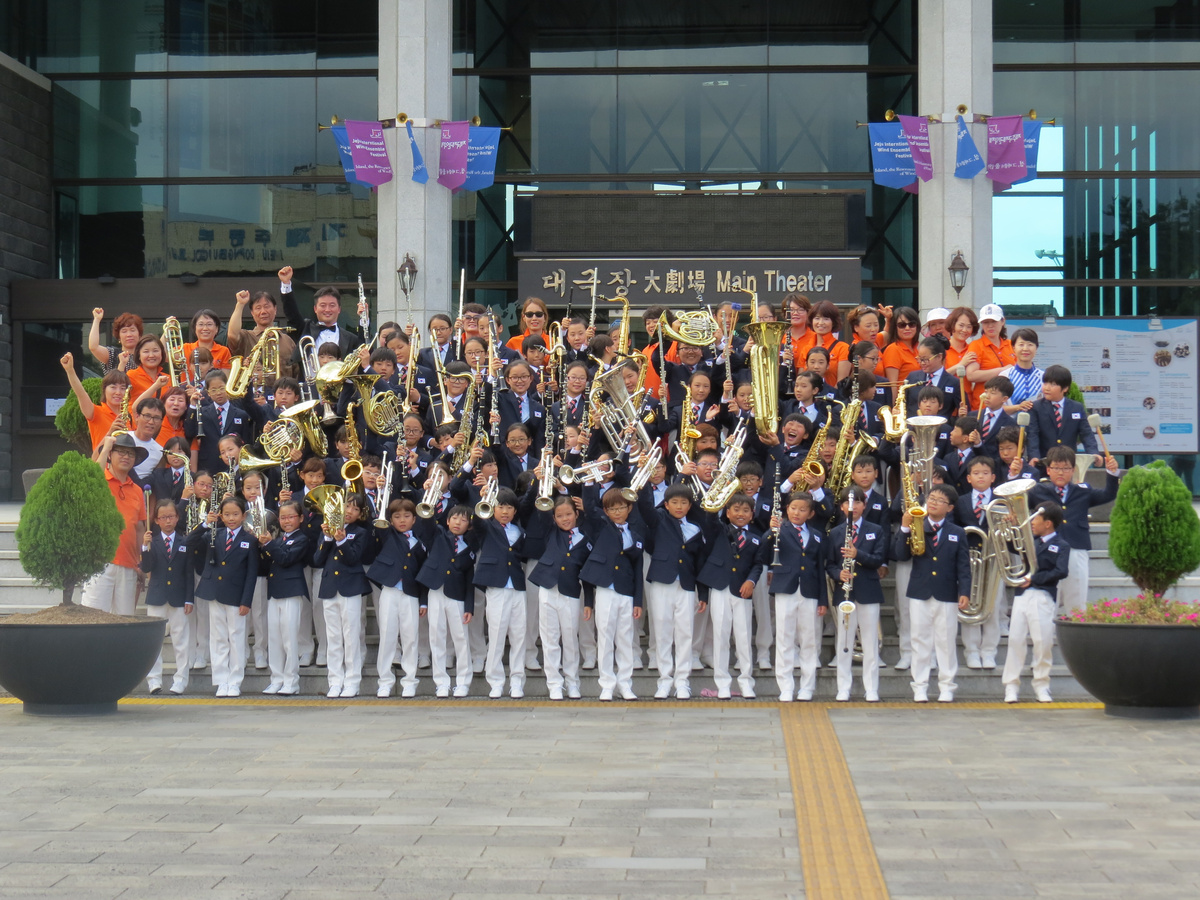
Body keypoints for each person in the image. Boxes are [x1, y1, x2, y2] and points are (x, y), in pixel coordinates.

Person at [893, 484, 971, 703]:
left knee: (946, 641)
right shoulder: (917, 525)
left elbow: (963, 566)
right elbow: (900, 555)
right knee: (919, 640)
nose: (934, 503)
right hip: (920, 591)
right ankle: (920, 686)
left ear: (950, 507)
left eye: (940, 501)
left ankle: (947, 686)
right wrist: (905, 528)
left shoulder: (957, 532)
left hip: (947, 592)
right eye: (932, 498)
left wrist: (965, 591)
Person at [1029, 446, 1120, 616]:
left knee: (1076, 598)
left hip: (1075, 548)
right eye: (1056, 468)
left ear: (1073, 470)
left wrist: (1112, 473)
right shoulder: (1038, 491)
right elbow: (1019, 503)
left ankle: (1076, 627)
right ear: (1048, 470)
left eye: (1066, 468)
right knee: (1046, 601)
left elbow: (1108, 494)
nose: (1060, 472)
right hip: (1046, 552)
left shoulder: (1083, 491)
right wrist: (1015, 475)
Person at [638, 482, 707, 700]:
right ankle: (664, 680)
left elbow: (699, 563)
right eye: (674, 502)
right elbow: (645, 506)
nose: (679, 506)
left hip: (686, 585)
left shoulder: (695, 528)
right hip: (661, 582)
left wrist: (703, 593)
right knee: (662, 631)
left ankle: (682, 681)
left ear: (690, 505)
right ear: (666, 505)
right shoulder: (659, 519)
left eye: (683, 503)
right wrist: (644, 478)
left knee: (685, 632)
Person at [579, 484, 646, 702]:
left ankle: (625, 684)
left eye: (621, 507)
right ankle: (606, 684)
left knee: (625, 639)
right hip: (605, 589)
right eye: (612, 509)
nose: (617, 512)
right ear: (606, 511)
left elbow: (637, 568)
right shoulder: (602, 527)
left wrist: (638, 600)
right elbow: (590, 507)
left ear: (629, 508)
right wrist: (589, 482)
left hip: (626, 590)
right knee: (605, 638)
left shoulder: (635, 534)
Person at [697, 493, 765, 699]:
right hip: (720, 587)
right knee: (721, 635)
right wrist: (717, 495)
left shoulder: (756, 538)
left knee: (744, 637)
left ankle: (746, 681)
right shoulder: (719, 530)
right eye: (736, 510)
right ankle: (722, 683)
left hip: (742, 591)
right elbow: (710, 518)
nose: (740, 514)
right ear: (727, 513)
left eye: (745, 511)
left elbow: (758, 564)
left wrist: (751, 581)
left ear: (752, 514)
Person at [189, 496, 258, 697]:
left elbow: (251, 573)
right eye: (226, 514)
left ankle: (235, 681)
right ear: (220, 516)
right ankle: (221, 680)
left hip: (236, 595)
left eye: (235, 514)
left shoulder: (250, 540)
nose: (231, 518)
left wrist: (246, 601)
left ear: (243, 515)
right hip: (215, 592)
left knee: (236, 638)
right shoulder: (214, 534)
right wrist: (205, 524)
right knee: (218, 637)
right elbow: (190, 542)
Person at [1002, 501, 1069, 703]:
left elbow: (1061, 571)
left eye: (1036, 518)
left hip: (1043, 596)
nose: (1031, 522)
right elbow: (1013, 547)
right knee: (1015, 639)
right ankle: (1011, 685)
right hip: (1023, 595)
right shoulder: (1031, 541)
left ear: (1048, 523)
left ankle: (1041, 684)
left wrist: (1034, 578)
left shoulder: (1062, 545)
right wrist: (1010, 527)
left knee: (1043, 642)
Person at [527, 494, 592, 701]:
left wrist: (589, 602)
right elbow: (542, 512)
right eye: (560, 516)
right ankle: (554, 683)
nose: (565, 519)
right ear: (554, 518)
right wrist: (547, 486)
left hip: (570, 592)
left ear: (576, 514)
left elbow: (587, 573)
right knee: (550, 639)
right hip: (547, 588)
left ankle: (572, 682)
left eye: (569, 514)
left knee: (570, 638)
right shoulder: (550, 531)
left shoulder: (585, 538)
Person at [826, 487, 887, 702]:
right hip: (845, 593)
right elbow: (830, 564)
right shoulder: (835, 533)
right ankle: (843, 687)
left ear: (865, 505)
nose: (854, 507)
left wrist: (857, 554)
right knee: (844, 641)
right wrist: (838, 574)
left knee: (870, 641)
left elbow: (878, 559)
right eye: (849, 503)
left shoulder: (876, 530)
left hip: (868, 590)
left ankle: (871, 688)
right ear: (842, 507)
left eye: (859, 502)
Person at [81, 432, 148, 614]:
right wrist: (106, 446)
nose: (126, 457)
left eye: (131, 453)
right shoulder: (100, 480)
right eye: (121, 451)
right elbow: (93, 476)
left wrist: (140, 562)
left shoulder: (137, 490)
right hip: (100, 561)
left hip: (129, 564)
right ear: (110, 454)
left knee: (124, 619)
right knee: (93, 617)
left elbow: (139, 529)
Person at [768, 491, 826, 701]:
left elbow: (820, 568)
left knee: (809, 639)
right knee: (785, 637)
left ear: (810, 514)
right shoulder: (780, 529)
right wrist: (771, 531)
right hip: (786, 588)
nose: (797, 513)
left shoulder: (817, 535)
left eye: (802, 510)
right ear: (787, 509)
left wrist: (823, 599)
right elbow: (765, 548)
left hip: (809, 590)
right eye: (793, 508)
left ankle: (807, 687)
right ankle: (785, 686)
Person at [312, 493, 371, 698]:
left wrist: (342, 540)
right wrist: (328, 537)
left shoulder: (360, 532)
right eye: (347, 507)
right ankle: (335, 681)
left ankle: (352, 681)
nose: (350, 511)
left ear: (360, 514)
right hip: (330, 587)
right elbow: (318, 559)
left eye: (355, 509)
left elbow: (353, 558)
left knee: (351, 635)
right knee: (333, 637)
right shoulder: (328, 530)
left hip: (351, 587)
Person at [414, 504, 477, 698]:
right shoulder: (438, 536)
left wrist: (469, 607)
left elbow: (469, 580)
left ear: (469, 526)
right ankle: (441, 682)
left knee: (461, 639)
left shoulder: (470, 548)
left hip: (457, 596)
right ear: (447, 521)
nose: (458, 523)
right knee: (436, 637)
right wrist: (423, 601)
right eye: (454, 519)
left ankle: (463, 682)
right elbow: (427, 524)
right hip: (435, 592)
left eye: (463, 520)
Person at [473, 487, 529, 699]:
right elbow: (478, 520)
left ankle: (517, 681)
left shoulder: (519, 530)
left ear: (515, 511)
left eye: (509, 507)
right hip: (496, 587)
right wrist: (484, 497)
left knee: (519, 636)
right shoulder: (487, 526)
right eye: (500, 507)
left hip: (517, 586)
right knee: (496, 635)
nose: (505, 511)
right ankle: (495, 681)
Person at [140, 499, 193, 695]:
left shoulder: (184, 542)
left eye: (171, 516)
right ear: (156, 520)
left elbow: (188, 573)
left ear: (177, 517)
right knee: (155, 641)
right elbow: (147, 567)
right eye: (163, 517)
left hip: (178, 597)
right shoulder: (152, 542)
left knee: (181, 640)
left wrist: (189, 599)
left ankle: (180, 680)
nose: (168, 521)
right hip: (157, 596)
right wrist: (144, 548)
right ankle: (154, 680)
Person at [259, 500, 310, 696]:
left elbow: (286, 558)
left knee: (290, 639)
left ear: (301, 518)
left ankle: (291, 681)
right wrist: (264, 546)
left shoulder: (302, 539)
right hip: (275, 592)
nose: (286, 521)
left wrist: (269, 544)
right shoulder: (278, 539)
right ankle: (276, 678)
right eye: (282, 517)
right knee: (275, 638)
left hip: (291, 592)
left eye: (291, 517)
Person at [279, 266, 365, 362]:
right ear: (315, 309)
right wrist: (286, 284)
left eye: (332, 305)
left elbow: (363, 348)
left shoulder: (350, 338)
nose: (327, 310)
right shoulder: (306, 329)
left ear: (339, 309)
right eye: (323, 305)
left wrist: (363, 318)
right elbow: (292, 313)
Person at [1025, 365, 1100, 466]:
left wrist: (1094, 453)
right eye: (1045, 383)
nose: (1046, 388)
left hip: (1068, 464)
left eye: (1053, 384)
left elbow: (1086, 434)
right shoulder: (1035, 407)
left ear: (1065, 388)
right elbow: (1032, 434)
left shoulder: (1077, 407)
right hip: (1044, 463)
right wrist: (1034, 456)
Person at [964, 304, 1015, 410]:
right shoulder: (976, 345)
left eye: (994, 321)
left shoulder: (1011, 345)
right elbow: (971, 375)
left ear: (1002, 321)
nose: (990, 326)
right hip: (983, 406)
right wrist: (1003, 371)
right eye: (986, 322)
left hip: (1010, 405)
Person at [88, 309, 143, 374]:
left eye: (132, 330)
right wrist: (97, 319)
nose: (129, 335)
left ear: (139, 334)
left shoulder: (146, 355)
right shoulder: (112, 354)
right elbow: (93, 347)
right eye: (124, 331)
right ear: (119, 336)